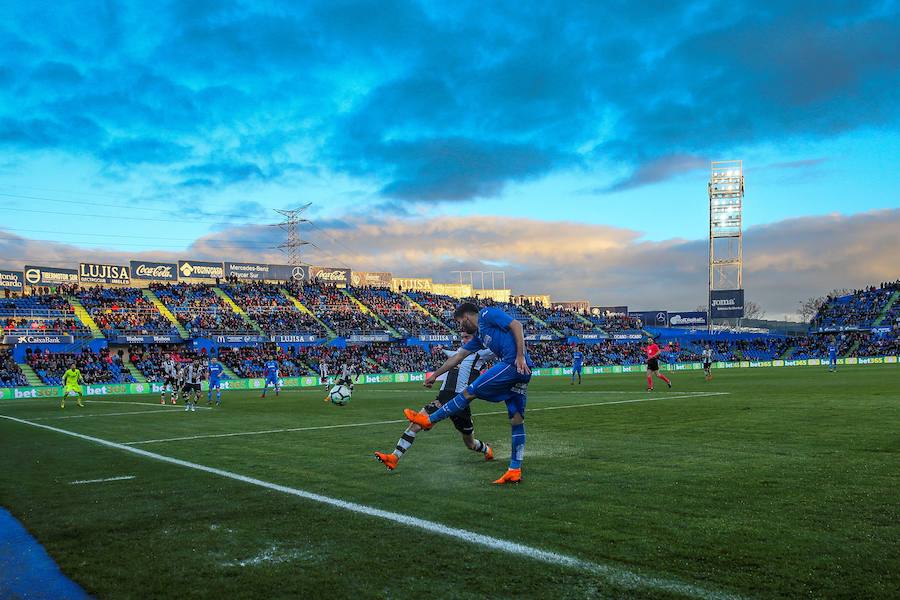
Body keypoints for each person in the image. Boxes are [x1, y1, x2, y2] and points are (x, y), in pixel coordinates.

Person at [403, 302, 532, 485]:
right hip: (521, 371)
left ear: (466, 317)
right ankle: (514, 470)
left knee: (469, 392)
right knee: (516, 420)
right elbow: (457, 357)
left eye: (460, 323)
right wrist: (435, 376)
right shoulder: (479, 337)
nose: (460, 327)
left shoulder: (487, 314)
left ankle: (428, 420)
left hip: (513, 364)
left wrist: (520, 355)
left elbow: (517, 325)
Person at [375, 334, 495, 470]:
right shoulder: (458, 353)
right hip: (443, 399)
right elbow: (448, 353)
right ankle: (394, 457)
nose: (464, 340)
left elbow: (498, 347)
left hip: (460, 402)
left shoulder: (482, 353)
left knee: (470, 443)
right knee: (415, 425)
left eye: (467, 337)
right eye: (462, 337)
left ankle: (486, 449)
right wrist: (439, 350)